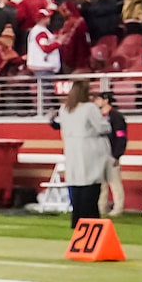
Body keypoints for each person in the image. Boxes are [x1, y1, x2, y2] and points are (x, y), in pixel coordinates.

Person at [51, 78, 113, 221]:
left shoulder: (65, 109)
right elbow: (102, 127)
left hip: (72, 149)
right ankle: (90, 220)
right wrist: (107, 122)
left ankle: (77, 218)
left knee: (76, 184)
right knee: (90, 185)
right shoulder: (89, 108)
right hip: (89, 150)